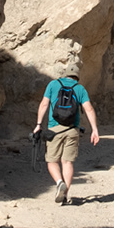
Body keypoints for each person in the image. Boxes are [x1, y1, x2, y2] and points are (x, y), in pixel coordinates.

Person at [33, 71, 99, 204]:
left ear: (65, 75)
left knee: (52, 161)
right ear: (76, 77)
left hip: (54, 130)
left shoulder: (53, 84)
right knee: (67, 162)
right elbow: (89, 109)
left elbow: (44, 104)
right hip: (72, 130)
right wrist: (95, 130)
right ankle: (65, 195)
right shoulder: (79, 88)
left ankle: (59, 182)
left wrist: (38, 124)